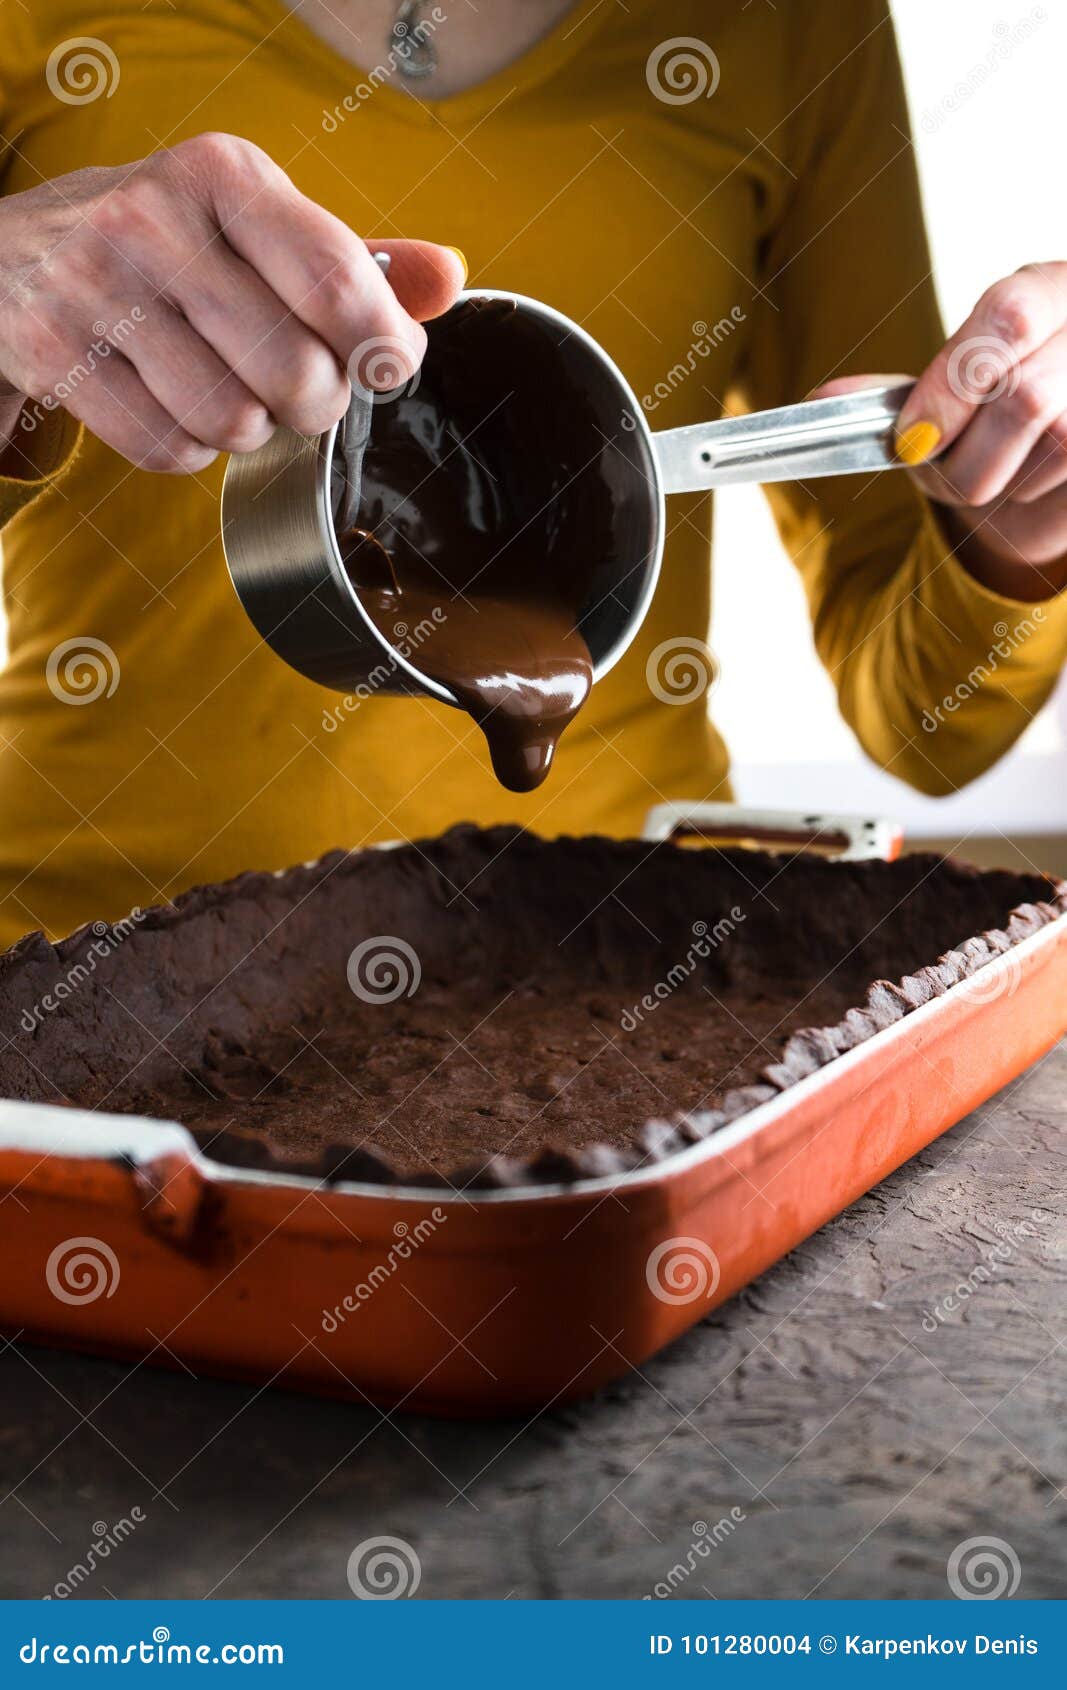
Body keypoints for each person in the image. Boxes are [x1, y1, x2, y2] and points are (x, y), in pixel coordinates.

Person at [1, 0, 1065, 946]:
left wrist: (1014, 522)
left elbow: (927, 723)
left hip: (616, 966)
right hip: (78, 971)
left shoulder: (788, 25)